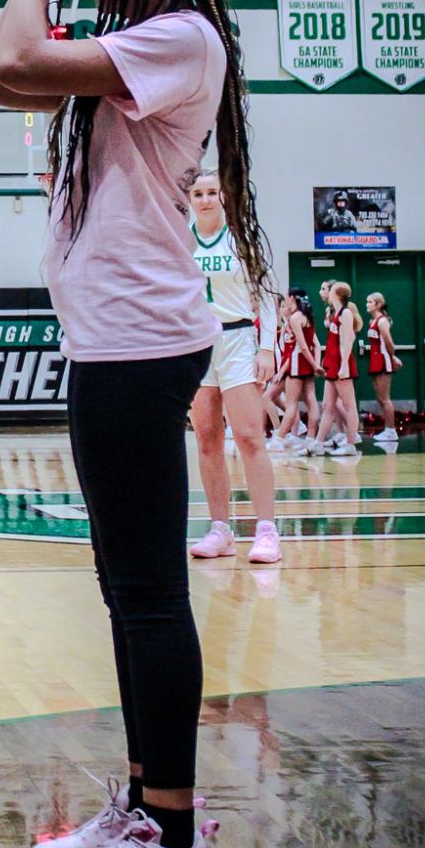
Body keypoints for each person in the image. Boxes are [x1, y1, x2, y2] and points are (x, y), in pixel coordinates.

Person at [0, 0, 264, 848]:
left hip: (140, 349)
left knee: (147, 595)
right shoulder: (126, 52)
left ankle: (173, 839)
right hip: (111, 346)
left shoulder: (179, 36)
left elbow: (14, 54)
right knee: (125, 590)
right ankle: (147, 804)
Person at [186, 171, 281, 566]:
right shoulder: (180, 239)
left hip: (239, 339)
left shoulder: (242, 238)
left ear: (223, 197)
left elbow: (269, 296)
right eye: (198, 193)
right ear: (189, 198)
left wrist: (266, 348)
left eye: (212, 192)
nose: (205, 199)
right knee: (207, 440)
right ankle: (220, 528)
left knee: (248, 437)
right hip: (195, 344)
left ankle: (266, 530)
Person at [310, 282, 360, 457]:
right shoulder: (335, 313)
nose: (327, 292)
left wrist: (345, 364)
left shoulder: (345, 313)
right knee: (327, 405)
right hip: (332, 363)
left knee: (349, 405)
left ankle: (351, 443)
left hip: (341, 363)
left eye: (330, 290)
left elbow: (349, 339)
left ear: (337, 294)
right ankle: (318, 443)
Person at [276, 290, 319, 449]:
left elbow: (302, 346)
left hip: (296, 363)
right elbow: (313, 345)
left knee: (291, 403)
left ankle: (279, 439)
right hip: (305, 363)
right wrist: (315, 364)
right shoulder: (308, 316)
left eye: (287, 297)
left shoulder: (295, 318)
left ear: (292, 298)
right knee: (311, 400)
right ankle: (311, 438)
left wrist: (315, 365)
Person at [366, 291, 401, 445]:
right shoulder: (372, 322)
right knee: (379, 397)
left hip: (383, 361)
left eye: (370, 302)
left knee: (385, 398)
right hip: (375, 360)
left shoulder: (382, 321)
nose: (367, 304)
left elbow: (389, 343)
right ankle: (387, 429)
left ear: (378, 304)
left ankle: (391, 430)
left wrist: (392, 357)